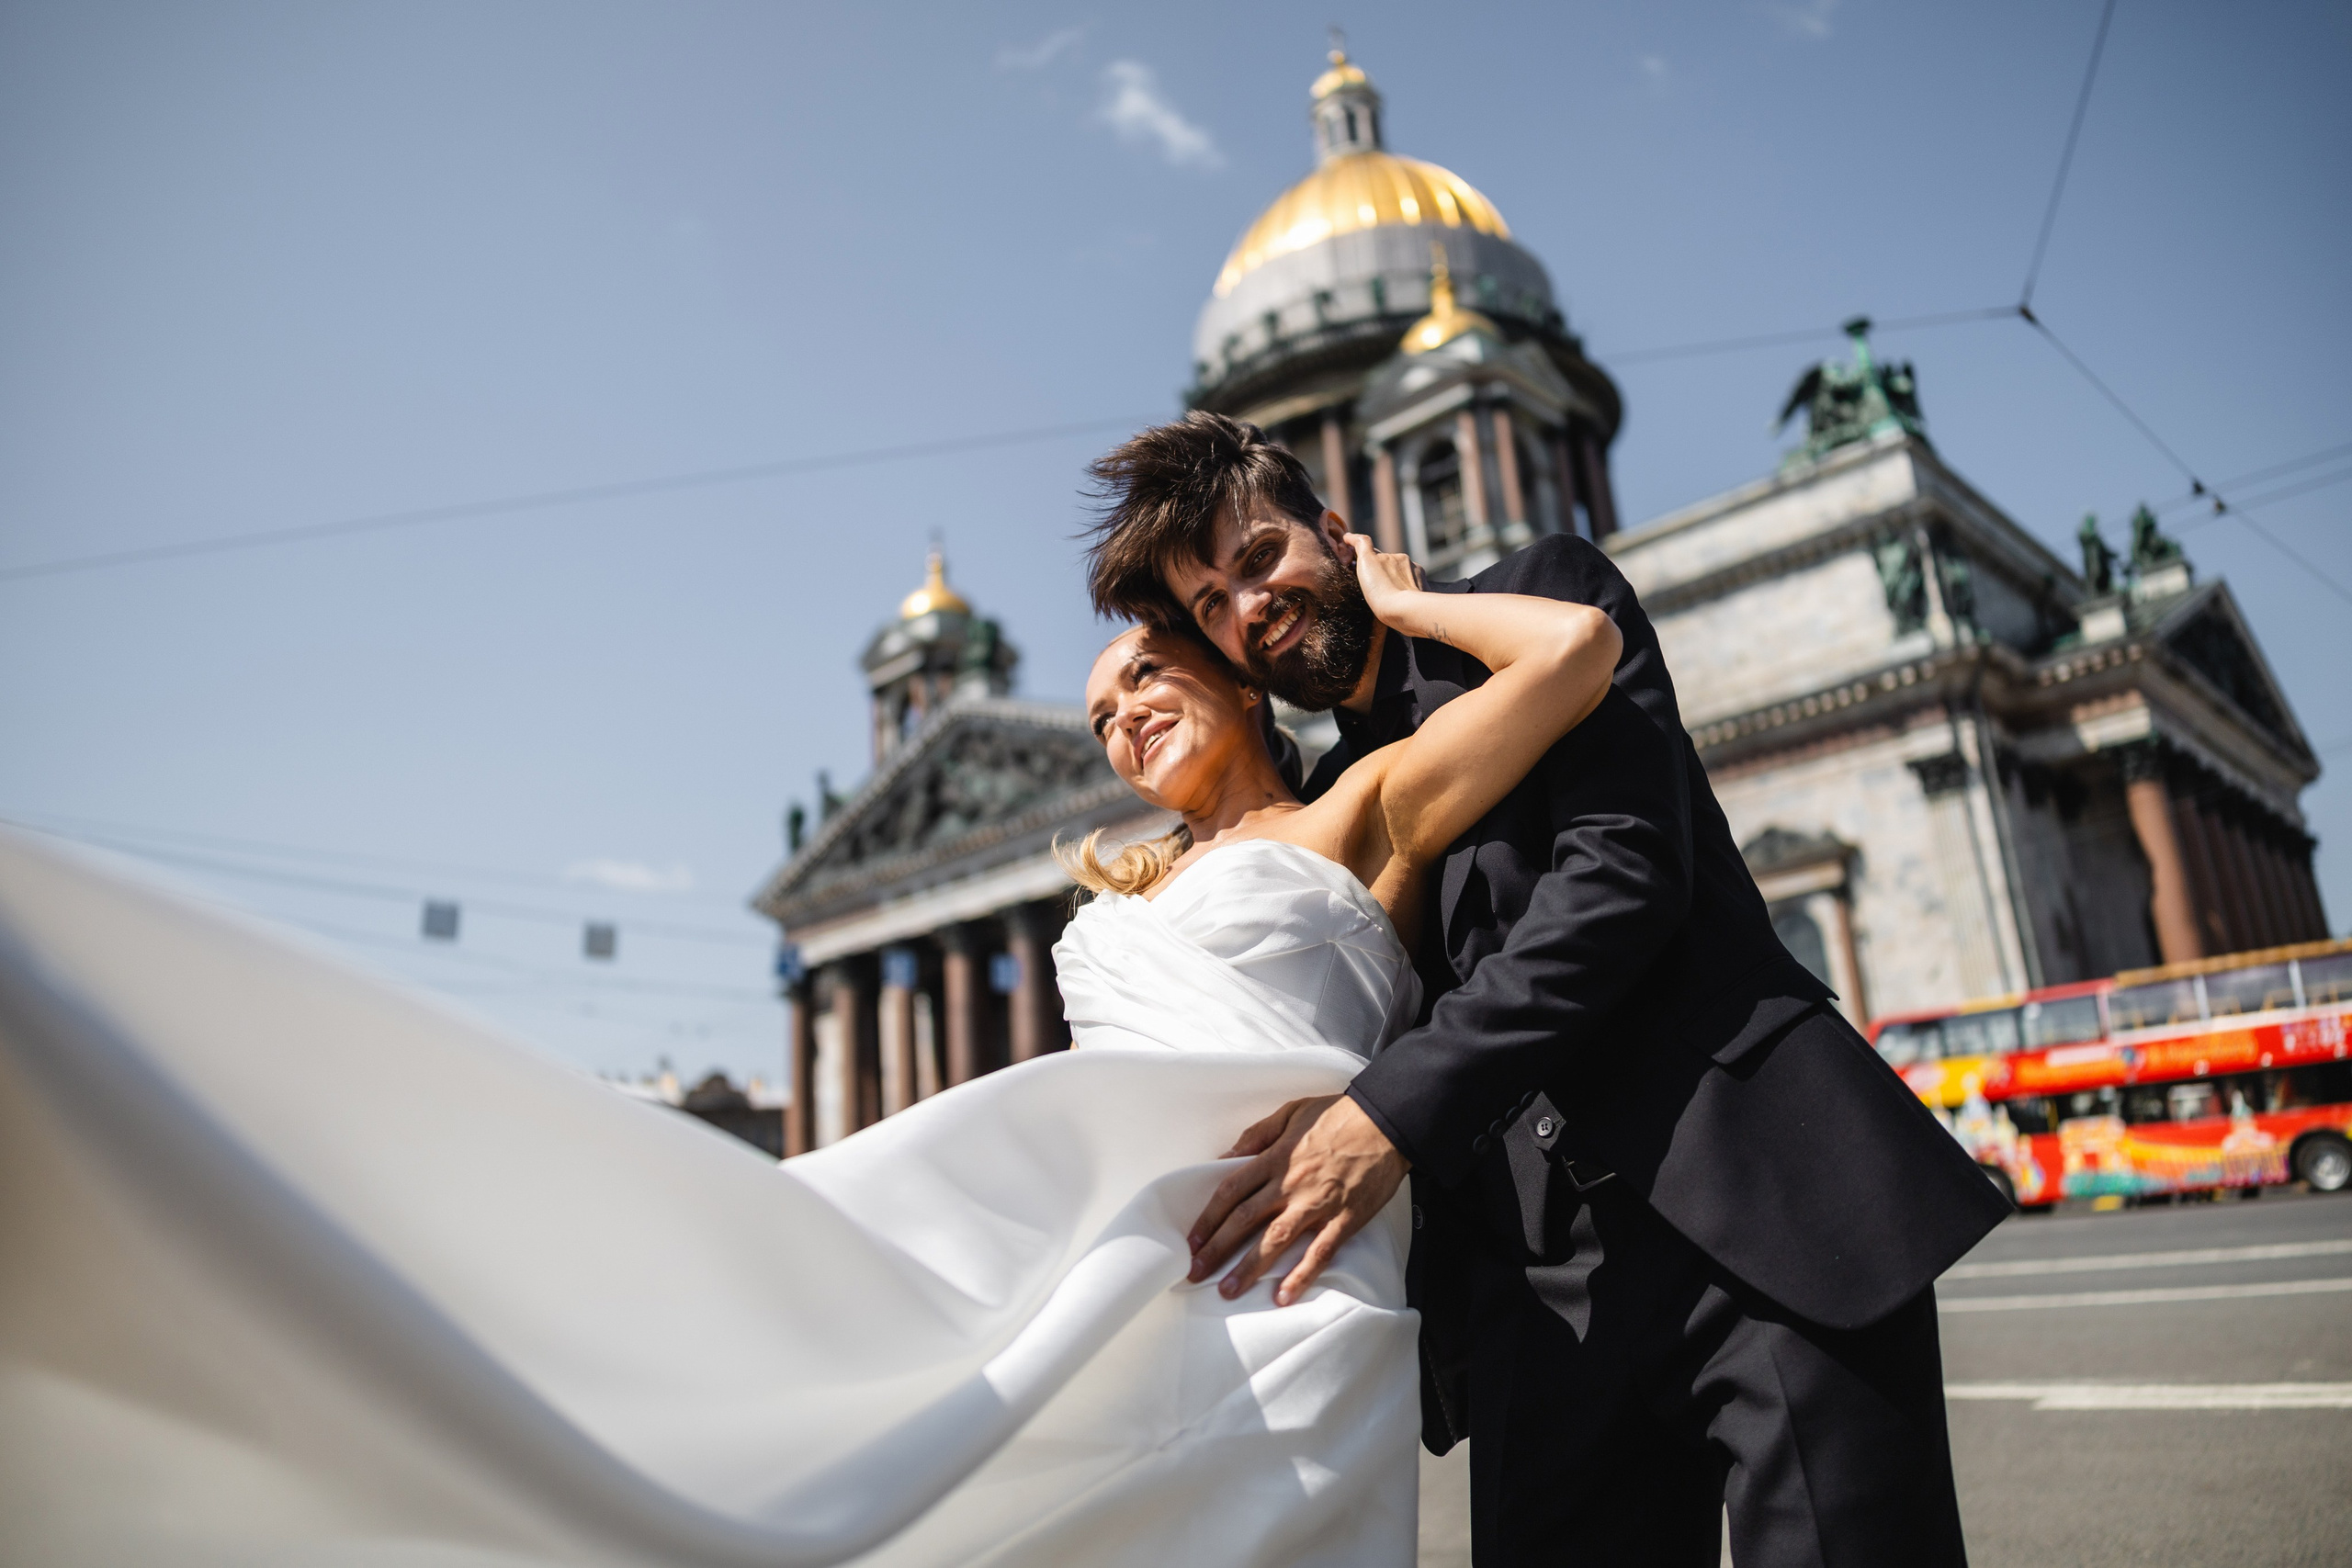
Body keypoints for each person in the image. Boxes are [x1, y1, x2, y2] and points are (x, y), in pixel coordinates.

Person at [0, 533, 1616, 1566]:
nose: (1124, 716)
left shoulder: (1364, 802)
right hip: (1110, 1247)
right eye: (1103, 706)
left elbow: (1566, 656)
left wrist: (1396, 601)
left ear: (1229, 659)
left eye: (1152, 669)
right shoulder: (1124, 875)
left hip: (1305, 1265)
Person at [1083, 412, 2013, 1567]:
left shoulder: (1539, 595)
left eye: (1260, 557)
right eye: (1211, 605)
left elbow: (1624, 881)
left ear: (1336, 531)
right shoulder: (1328, 799)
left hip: (1751, 1214)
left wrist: (1389, 1113)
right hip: (1541, 1302)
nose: (1247, 606)